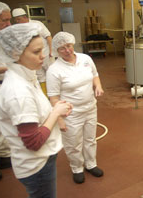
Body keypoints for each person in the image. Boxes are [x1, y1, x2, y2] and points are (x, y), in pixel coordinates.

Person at [0, 23, 73, 197]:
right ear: (15, 53)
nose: (43, 56)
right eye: (36, 52)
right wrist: (55, 113)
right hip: (37, 165)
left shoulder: (26, 74)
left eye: (42, 50)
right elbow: (33, 143)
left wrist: (56, 109)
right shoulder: (18, 91)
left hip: (42, 159)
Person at [46, 31, 104, 184]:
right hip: (70, 114)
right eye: (62, 48)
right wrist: (59, 120)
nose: (67, 50)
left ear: (73, 43)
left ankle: (91, 164)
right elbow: (53, 98)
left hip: (90, 107)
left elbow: (95, 74)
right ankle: (77, 168)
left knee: (90, 139)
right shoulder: (54, 70)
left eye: (69, 46)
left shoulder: (85, 59)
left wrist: (98, 86)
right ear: (56, 51)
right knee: (73, 143)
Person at [12, 7, 53, 96]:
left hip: (45, 54)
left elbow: (48, 37)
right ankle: (46, 96)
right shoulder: (19, 29)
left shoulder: (37, 24)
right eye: (16, 20)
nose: (17, 22)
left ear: (25, 17)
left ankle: (55, 95)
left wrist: (51, 50)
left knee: (51, 74)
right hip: (33, 58)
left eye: (19, 19)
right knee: (41, 77)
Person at [0, 1, 12, 182]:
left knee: (7, 121)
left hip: (5, 85)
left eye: (9, 20)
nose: (8, 24)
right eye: (4, 20)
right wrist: (8, 66)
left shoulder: (1, 36)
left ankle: (5, 157)